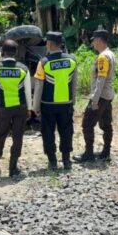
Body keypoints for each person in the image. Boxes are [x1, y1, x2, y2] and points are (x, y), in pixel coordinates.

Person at [33, 32, 78, 171]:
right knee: (66, 131)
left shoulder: (44, 62)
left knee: (48, 132)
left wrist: (35, 106)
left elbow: (39, 85)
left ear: (50, 44)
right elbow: (74, 83)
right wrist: (73, 100)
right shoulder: (72, 60)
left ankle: (52, 161)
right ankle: (66, 160)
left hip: (48, 104)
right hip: (66, 104)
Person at [0, 40, 32, 178]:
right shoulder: (23, 69)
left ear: (2, 52)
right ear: (16, 52)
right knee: (17, 138)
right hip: (20, 108)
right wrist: (29, 108)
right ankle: (13, 169)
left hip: (3, 109)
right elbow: (27, 91)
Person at [75, 29, 117, 163]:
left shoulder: (103, 57)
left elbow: (101, 79)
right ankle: (106, 152)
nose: (93, 43)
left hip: (101, 96)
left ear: (99, 40)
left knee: (87, 124)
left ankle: (88, 154)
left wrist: (94, 100)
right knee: (106, 123)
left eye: (94, 40)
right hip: (108, 95)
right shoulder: (110, 54)